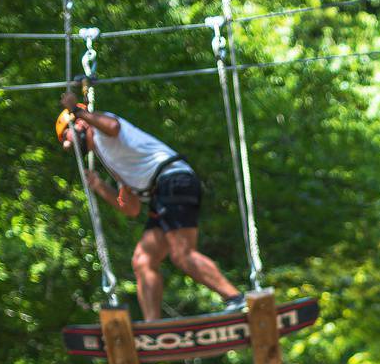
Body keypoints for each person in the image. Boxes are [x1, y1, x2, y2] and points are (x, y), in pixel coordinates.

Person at [56, 92, 244, 320]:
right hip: (161, 192)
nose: (67, 145)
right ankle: (153, 326)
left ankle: (236, 299)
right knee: (143, 261)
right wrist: (99, 186)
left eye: (66, 136)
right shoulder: (110, 158)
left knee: (182, 254)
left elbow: (113, 126)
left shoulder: (103, 128)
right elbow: (131, 208)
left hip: (173, 181)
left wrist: (77, 110)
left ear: (80, 124)